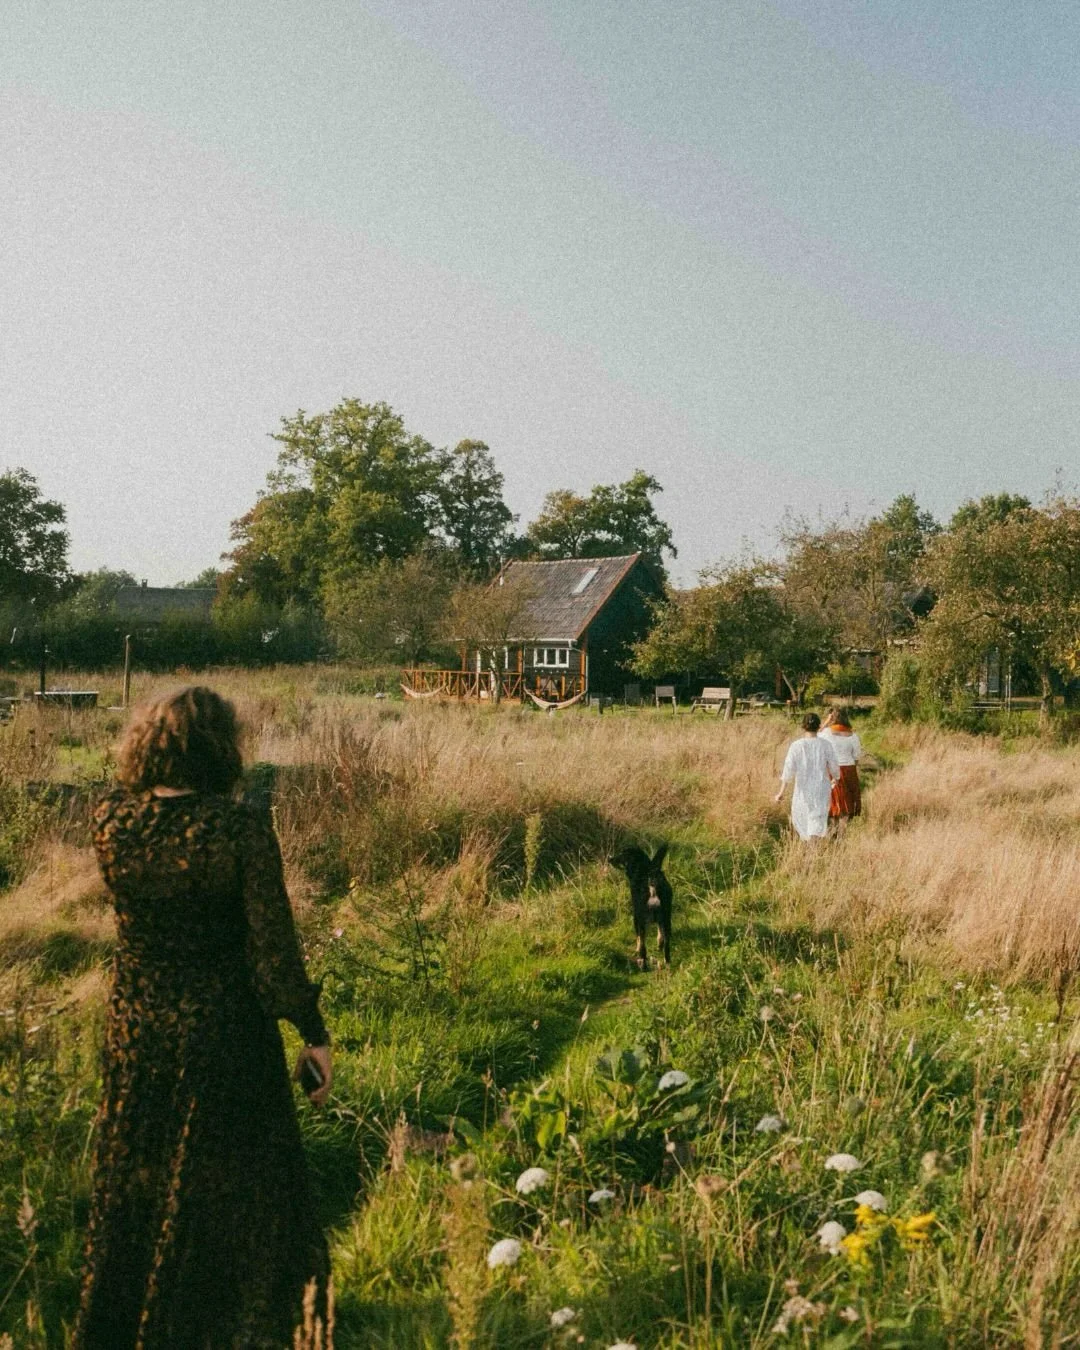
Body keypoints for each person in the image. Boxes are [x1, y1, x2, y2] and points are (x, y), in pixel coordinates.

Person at [73, 686, 333, 1350]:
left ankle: (134, 1317)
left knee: (140, 1178)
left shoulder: (111, 820)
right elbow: (273, 957)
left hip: (134, 1030)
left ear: (149, 745)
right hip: (223, 1031)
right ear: (221, 748)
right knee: (239, 1180)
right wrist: (313, 1034)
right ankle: (231, 1321)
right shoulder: (239, 830)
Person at [774, 711, 840, 841]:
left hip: (803, 790)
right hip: (821, 788)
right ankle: (814, 846)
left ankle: (810, 847)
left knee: (804, 819)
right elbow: (834, 766)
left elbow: (788, 770)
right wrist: (836, 778)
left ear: (803, 726)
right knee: (817, 820)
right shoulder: (826, 745)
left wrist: (780, 793)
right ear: (818, 726)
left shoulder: (796, 746)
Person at [819, 705, 862, 828]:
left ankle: (833, 829)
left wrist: (825, 723)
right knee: (848, 800)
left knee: (834, 800)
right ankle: (843, 830)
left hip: (832, 769)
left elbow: (814, 737)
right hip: (849, 769)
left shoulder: (826, 733)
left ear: (831, 718)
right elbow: (857, 756)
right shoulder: (853, 735)